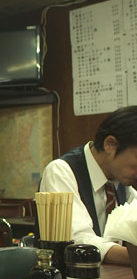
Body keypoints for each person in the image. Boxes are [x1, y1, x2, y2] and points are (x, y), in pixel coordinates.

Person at [39, 106, 137, 264]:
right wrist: (132, 257)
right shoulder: (61, 172)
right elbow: (79, 241)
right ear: (110, 144)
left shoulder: (122, 180)